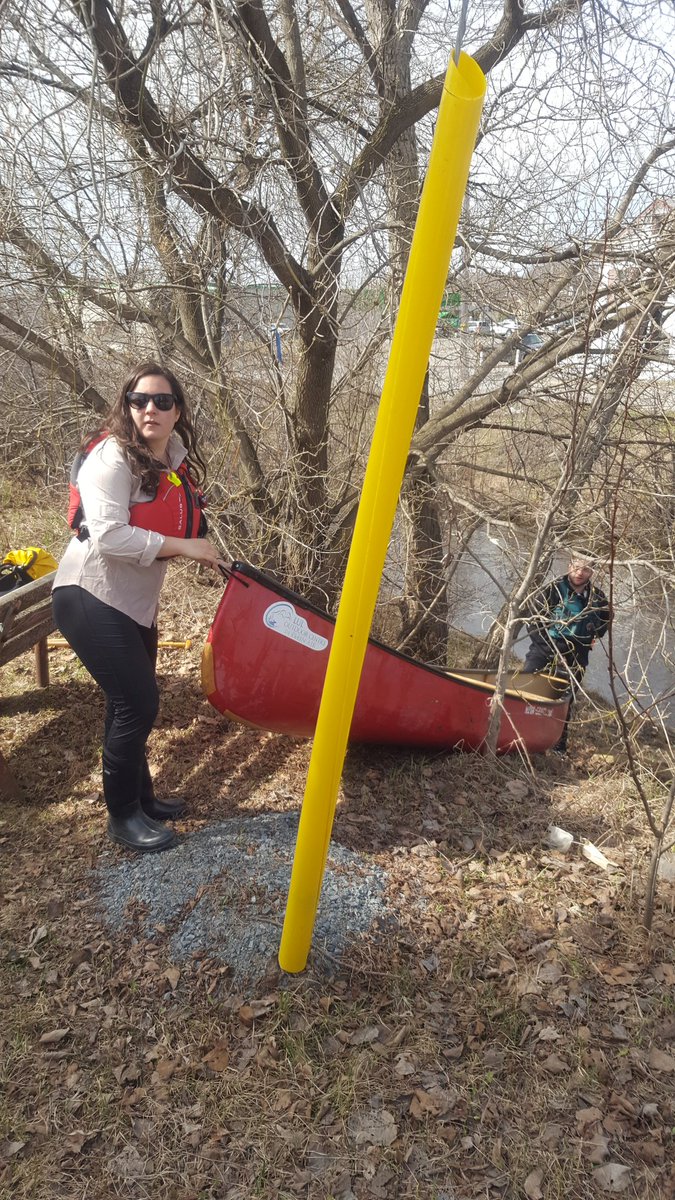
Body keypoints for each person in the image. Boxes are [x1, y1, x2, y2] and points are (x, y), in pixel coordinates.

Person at [52, 362, 227, 852]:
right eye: (139, 400)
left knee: (129, 702)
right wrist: (185, 545)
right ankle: (122, 815)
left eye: (163, 401)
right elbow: (108, 536)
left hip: (132, 603)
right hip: (89, 594)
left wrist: (199, 546)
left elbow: (173, 522)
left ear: (178, 411)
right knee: (139, 702)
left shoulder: (172, 460)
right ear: (126, 406)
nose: (150, 408)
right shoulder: (111, 458)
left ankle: (142, 798)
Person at [523, 553, 611, 754]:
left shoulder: (597, 597)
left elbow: (603, 626)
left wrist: (598, 627)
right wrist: (551, 650)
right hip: (545, 647)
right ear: (569, 565)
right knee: (526, 687)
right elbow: (534, 623)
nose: (580, 573)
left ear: (592, 572)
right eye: (577, 567)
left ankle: (557, 746)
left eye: (587, 569)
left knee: (565, 701)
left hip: (577, 655)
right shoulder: (552, 589)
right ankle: (519, 733)